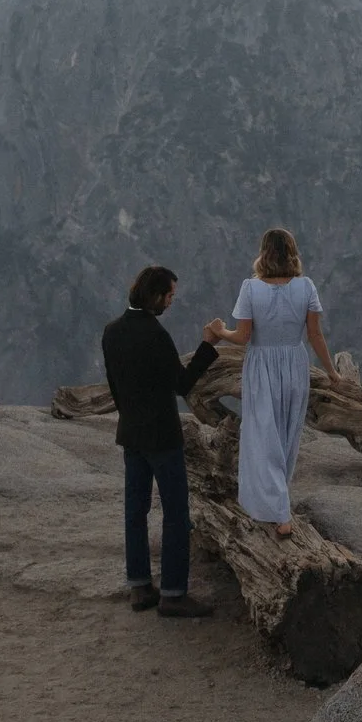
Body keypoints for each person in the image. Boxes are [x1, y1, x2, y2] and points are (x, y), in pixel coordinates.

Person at [101, 264, 220, 617]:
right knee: (176, 513)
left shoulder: (111, 332)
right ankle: (173, 593)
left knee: (135, 511)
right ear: (155, 296)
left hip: (131, 433)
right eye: (169, 295)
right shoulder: (155, 335)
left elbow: (115, 386)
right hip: (162, 437)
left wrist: (129, 420)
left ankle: (139, 586)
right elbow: (182, 385)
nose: (171, 302)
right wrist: (207, 346)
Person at [209, 227, 339, 538]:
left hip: (262, 364)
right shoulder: (306, 287)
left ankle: (278, 513)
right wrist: (332, 373)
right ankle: (278, 505)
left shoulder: (251, 289)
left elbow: (242, 338)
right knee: (285, 436)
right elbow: (315, 335)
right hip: (295, 364)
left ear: (263, 253)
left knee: (261, 434)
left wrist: (219, 331)